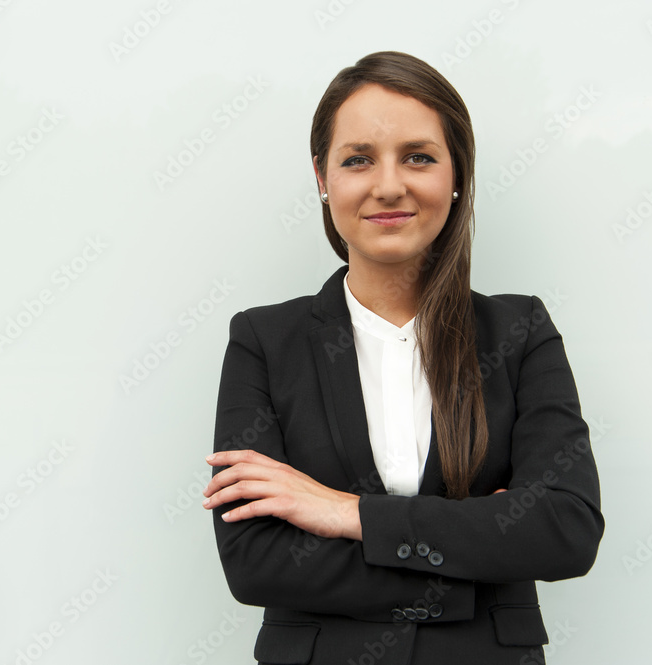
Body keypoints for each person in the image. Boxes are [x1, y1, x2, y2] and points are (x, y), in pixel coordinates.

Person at [202, 50, 604, 665]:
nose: (388, 185)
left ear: (457, 174)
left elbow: (565, 530)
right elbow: (255, 562)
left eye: (418, 156)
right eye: (357, 159)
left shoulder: (520, 333)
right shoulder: (263, 341)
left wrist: (346, 513)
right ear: (322, 177)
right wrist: (475, 550)